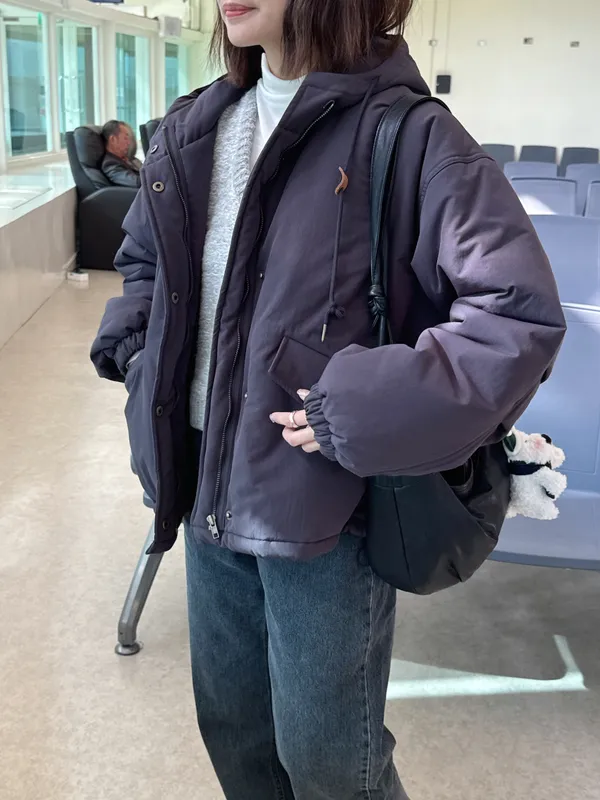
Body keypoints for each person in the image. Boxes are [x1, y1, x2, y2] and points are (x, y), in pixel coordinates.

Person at [91, 1, 566, 797]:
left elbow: (516, 317)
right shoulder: (197, 127)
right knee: (237, 736)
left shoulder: (413, 137)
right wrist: (140, 353)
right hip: (203, 483)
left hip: (325, 511)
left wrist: (356, 409)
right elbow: (145, 261)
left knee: (330, 764)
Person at [100, 120, 141, 188]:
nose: (129, 143)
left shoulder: (128, 159)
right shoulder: (110, 164)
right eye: (125, 138)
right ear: (113, 139)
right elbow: (136, 182)